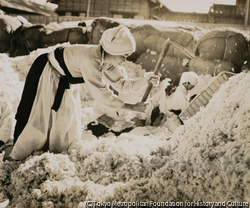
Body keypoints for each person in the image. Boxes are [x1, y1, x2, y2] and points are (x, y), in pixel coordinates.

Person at [10, 26, 159, 160]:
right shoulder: (91, 59)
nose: (123, 61)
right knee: (39, 115)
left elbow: (122, 84)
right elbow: (102, 95)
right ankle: (24, 152)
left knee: (66, 118)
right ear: (114, 51)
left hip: (65, 79)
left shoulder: (108, 61)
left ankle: (54, 151)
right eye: (123, 57)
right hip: (46, 71)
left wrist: (145, 80)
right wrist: (131, 107)